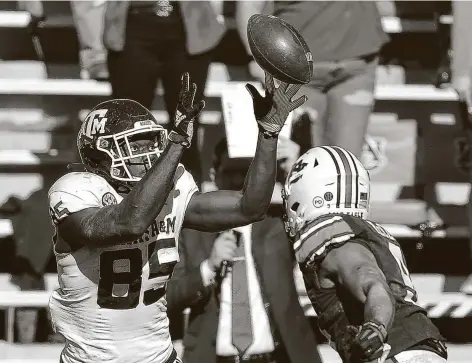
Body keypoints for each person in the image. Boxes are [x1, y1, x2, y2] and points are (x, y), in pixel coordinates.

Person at [47, 72, 306, 363]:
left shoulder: (172, 188)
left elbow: (249, 208)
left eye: (150, 142)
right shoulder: (75, 190)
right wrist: (178, 142)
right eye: (135, 144)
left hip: (161, 357)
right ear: (99, 154)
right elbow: (129, 223)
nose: (147, 153)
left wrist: (268, 134)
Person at [281, 146, 448, 363]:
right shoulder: (365, 231)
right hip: (419, 348)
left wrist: (375, 327)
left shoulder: (327, 233)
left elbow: (372, 282)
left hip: (397, 353)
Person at [165, 137, 322, 363]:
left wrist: (295, 167)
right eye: (230, 171)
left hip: (278, 357)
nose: (238, 180)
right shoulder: (191, 232)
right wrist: (207, 269)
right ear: (214, 174)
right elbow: (169, 298)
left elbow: (317, 219)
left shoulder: (277, 222)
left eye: (245, 171)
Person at [71, 1, 226, 183]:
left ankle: (187, 202)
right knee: (127, 130)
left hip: (190, 24)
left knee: (185, 129)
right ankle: (126, 202)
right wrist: (94, 51)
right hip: (131, 22)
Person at [237, 1, 389, 158]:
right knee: (300, 164)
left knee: (347, 166)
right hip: (293, 70)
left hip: (356, 66)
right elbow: (249, 4)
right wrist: (256, 57)